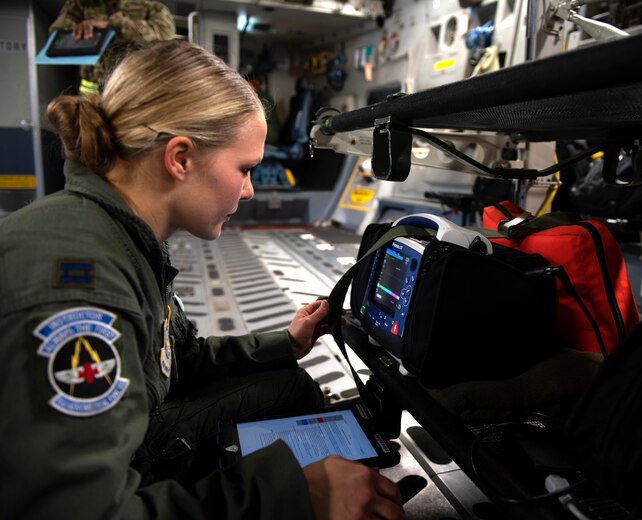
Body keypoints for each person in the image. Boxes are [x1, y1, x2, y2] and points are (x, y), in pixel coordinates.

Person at [0, 39, 404, 520]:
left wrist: (286, 341)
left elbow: (178, 361)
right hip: (117, 477)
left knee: (289, 386)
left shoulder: (128, 236)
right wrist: (293, 495)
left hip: (141, 427)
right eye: (245, 169)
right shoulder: (82, 287)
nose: (251, 189)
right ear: (181, 158)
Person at [48, 0, 176, 95]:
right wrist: (79, 30)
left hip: (137, 88)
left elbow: (164, 37)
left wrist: (121, 24)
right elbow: (56, 35)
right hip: (93, 92)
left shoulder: (152, 7)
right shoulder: (82, 4)